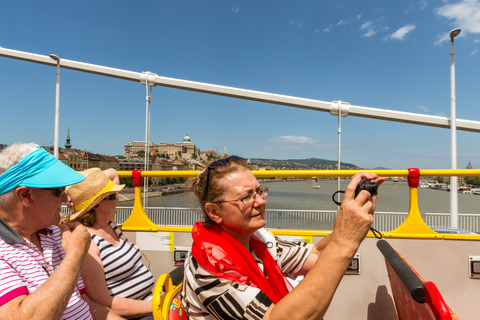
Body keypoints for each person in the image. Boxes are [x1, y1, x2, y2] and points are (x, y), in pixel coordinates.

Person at [182, 155, 385, 320]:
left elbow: (314, 256)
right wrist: (344, 241)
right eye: (246, 196)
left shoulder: (259, 241)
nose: (260, 201)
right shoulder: (209, 267)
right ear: (214, 212)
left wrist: (353, 221)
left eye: (260, 192)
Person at [0, 142, 124, 320]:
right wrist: (75, 254)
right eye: (58, 191)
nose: (66, 198)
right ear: (26, 196)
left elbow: (85, 304)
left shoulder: (53, 233)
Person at [65, 168, 154, 320]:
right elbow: (104, 302)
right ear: (97, 205)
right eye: (112, 196)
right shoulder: (88, 242)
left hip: (153, 300)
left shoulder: (108, 223)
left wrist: (71, 190)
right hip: (138, 314)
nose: (117, 199)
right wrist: (157, 305)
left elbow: (113, 173)